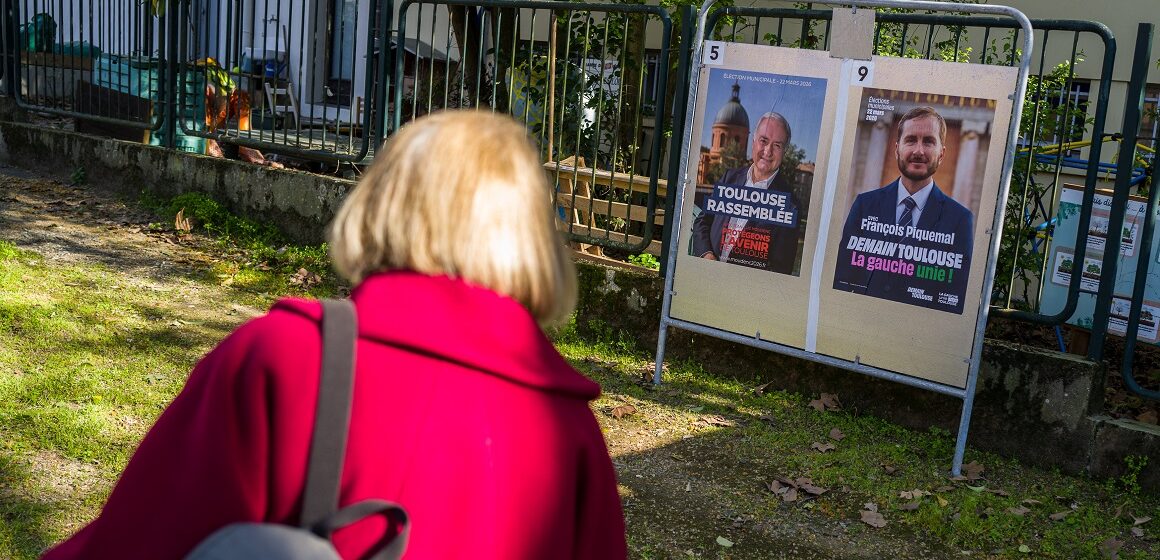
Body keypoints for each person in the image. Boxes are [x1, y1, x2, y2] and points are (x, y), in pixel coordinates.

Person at [41, 111, 628, 559]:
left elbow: (138, 540)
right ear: (534, 241)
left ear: (382, 203)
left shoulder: (284, 361)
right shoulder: (574, 439)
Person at [833, 106, 974, 314]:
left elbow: (955, 295)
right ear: (897, 148)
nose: (919, 151)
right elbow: (843, 276)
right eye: (911, 140)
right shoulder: (864, 205)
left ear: (941, 153)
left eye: (928, 141)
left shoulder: (960, 220)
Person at [691, 112, 804, 275]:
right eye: (763, 141)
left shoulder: (790, 206)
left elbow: (780, 269)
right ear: (754, 141)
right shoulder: (729, 178)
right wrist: (707, 256)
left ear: (784, 152)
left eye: (777, 145)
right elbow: (702, 221)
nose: (768, 151)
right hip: (706, 275)